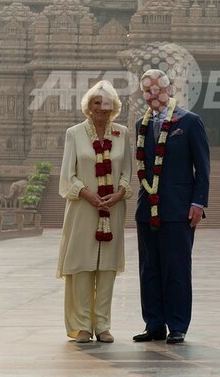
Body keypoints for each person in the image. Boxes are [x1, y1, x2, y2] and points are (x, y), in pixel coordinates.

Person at [132, 69, 210, 345]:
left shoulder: (189, 122)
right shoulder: (140, 125)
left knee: (176, 268)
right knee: (149, 268)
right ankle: (154, 324)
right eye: (147, 91)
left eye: (157, 89)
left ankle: (177, 325)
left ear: (169, 89)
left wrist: (198, 202)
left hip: (179, 209)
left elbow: (202, 167)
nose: (153, 95)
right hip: (147, 208)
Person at [56, 80, 132, 344]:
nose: (101, 108)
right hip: (83, 207)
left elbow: (127, 173)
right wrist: (88, 194)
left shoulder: (122, 133)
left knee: (107, 268)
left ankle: (102, 325)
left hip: (112, 208)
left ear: (114, 107)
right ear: (88, 106)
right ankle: (81, 326)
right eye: (97, 103)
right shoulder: (75, 133)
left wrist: (119, 193)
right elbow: (68, 176)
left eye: (106, 103)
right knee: (81, 266)